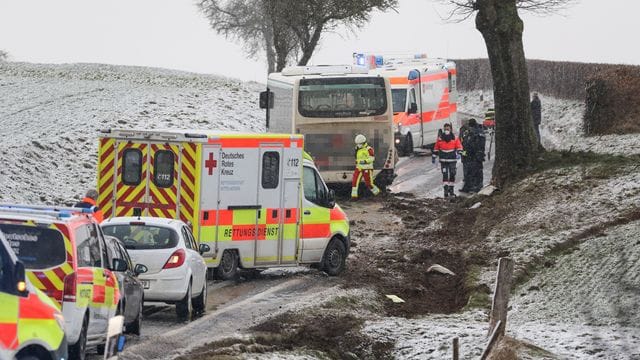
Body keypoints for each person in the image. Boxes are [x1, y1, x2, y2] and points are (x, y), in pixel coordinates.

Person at [432, 123, 463, 198]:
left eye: (448, 129)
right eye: (445, 129)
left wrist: (460, 153)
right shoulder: (440, 139)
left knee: (452, 174)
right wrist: (434, 156)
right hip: (443, 160)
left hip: (452, 160)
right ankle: (446, 190)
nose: (446, 130)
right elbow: (436, 148)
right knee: (445, 175)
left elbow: (459, 147)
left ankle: (451, 190)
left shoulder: (455, 138)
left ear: (450, 129)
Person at [459, 118, 486, 193]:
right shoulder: (468, 131)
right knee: (468, 171)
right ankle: (468, 186)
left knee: (477, 171)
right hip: (468, 154)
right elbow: (465, 142)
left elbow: (479, 144)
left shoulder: (478, 132)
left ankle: (477, 186)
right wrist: (463, 153)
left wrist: (479, 153)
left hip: (476, 154)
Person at [351, 134, 381, 199]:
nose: (358, 145)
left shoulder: (369, 149)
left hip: (367, 168)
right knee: (354, 182)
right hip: (359, 168)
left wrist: (365, 161)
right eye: (357, 144)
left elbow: (372, 158)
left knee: (369, 183)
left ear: (363, 143)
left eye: (360, 144)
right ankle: (354, 197)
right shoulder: (357, 148)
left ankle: (378, 193)